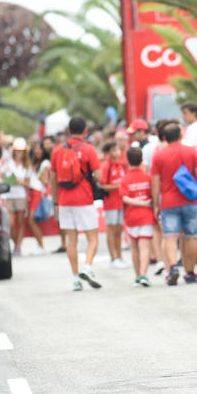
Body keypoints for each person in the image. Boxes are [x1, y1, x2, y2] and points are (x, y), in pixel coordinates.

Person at [151, 121, 197, 285]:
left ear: (164, 137)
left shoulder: (159, 155)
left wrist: (156, 204)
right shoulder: (191, 151)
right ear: (180, 135)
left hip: (169, 202)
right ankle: (190, 273)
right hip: (190, 200)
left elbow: (155, 182)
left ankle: (173, 268)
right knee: (190, 236)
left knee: (170, 236)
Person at [50, 116, 103, 291]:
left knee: (71, 239)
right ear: (85, 132)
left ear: (68, 131)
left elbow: (53, 177)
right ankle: (87, 266)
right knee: (92, 237)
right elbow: (99, 176)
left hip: (65, 200)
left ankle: (76, 278)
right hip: (84, 198)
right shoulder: (88, 149)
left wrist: (56, 202)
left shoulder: (57, 150)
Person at [121, 146, 155, 286]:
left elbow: (125, 198)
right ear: (142, 160)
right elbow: (153, 196)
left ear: (128, 161)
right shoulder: (148, 177)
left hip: (131, 217)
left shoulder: (125, 179)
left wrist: (138, 203)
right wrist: (146, 204)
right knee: (145, 247)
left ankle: (137, 275)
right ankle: (144, 274)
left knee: (134, 247)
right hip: (146, 216)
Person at [100, 140, 128, 268]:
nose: (117, 152)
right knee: (111, 230)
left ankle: (120, 256)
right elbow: (103, 185)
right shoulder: (106, 166)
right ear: (109, 152)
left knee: (119, 230)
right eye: (114, 150)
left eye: (118, 149)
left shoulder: (121, 165)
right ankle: (113, 258)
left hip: (121, 202)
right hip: (111, 202)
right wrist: (118, 187)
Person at [0, 137, 30, 256]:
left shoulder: (27, 165)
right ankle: (16, 243)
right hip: (8, 195)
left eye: (21, 151)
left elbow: (27, 183)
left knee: (21, 222)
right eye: (17, 150)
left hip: (20, 195)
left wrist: (19, 181)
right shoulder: (7, 162)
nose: (19, 153)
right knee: (11, 223)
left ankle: (18, 246)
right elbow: (1, 176)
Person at [25, 137, 50, 255]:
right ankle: (40, 245)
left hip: (38, 192)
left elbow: (45, 180)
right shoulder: (33, 162)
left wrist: (40, 177)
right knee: (31, 219)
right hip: (32, 192)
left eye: (39, 148)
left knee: (31, 219)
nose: (37, 151)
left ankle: (41, 246)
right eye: (35, 148)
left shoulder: (45, 163)